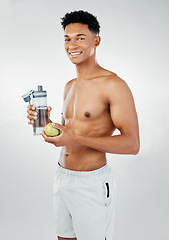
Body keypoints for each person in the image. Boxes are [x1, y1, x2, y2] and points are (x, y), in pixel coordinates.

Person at [27, 10, 140, 240]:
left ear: (96, 40)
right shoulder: (70, 85)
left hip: (92, 184)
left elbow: (132, 144)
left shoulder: (114, 85)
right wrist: (46, 124)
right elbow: (70, 134)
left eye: (80, 37)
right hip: (62, 176)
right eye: (67, 39)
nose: (72, 45)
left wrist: (75, 139)